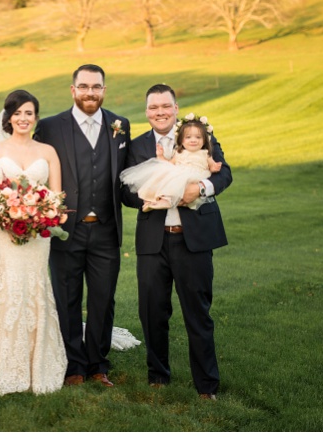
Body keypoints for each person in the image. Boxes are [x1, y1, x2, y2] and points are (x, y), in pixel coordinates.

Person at [121, 84, 231, 400]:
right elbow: (126, 190)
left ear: (176, 107)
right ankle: (158, 376)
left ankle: (206, 386)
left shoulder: (198, 135)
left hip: (193, 240)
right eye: (153, 107)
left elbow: (224, 174)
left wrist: (203, 189)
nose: (160, 112)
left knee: (198, 313)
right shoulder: (138, 145)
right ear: (146, 112)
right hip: (153, 242)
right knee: (152, 312)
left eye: (165, 106)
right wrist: (147, 193)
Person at [0, 91, 68, 395]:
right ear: (8, 117)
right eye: (17, 113)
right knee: (6, 287)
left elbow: (57, 196)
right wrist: (2, 213)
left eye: (29, 113)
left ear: (36, 117)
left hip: (36, 234)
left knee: (33, 287)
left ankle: (37, 364)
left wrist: (42, 216)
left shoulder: (48, 152)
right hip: (1, 232)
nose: (23, 118)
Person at [31, 64, 132, 388]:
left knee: (104, 298)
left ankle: (98, 365)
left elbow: (128, 174)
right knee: (67, 297)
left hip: (105, 230)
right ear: (73, 90)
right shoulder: (49, 127)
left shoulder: (120, 125)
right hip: (65, 229)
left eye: (97, 87)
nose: (91, 92)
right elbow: (32, 171)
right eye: (84, 86)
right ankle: (73, 365)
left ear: (104, 90)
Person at [119, 118, 223, 211]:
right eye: (188, 137)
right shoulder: (178, 152)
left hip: (196, 178)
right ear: (181, 140)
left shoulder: (205, 152)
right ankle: (160, 201)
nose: (193, 140)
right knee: (167, 178)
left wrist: (202, 187)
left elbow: (222, 172)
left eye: (198, 137)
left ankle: (168, 201)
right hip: (155, 227)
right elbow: (169, 164)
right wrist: (160, 156)